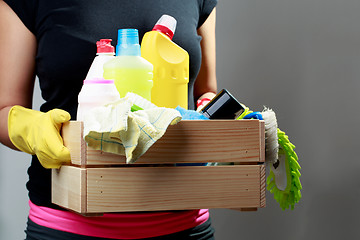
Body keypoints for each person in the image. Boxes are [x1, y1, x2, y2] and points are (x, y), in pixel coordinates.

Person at [0, 0, 218, 239]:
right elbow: (4, 108)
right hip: (67, 227)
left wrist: (216, 124)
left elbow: (205, 91)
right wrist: (30, 129)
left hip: (184, 225)